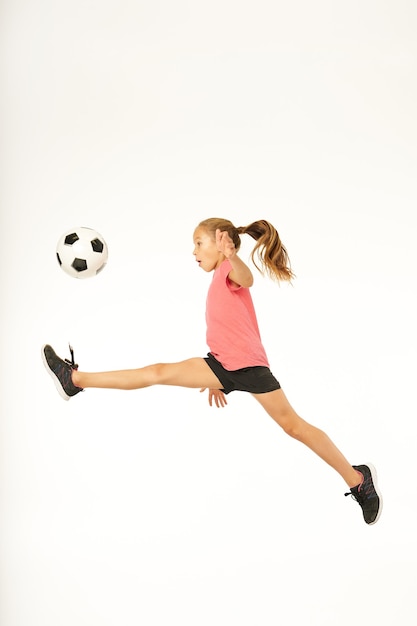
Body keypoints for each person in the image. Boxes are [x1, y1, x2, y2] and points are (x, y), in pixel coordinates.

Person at [42, 218, 382, 525]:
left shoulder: (228, 271)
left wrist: (232, 255)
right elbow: (227, 329)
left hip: (249, 368)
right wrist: (217, 379)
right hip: (220, 365)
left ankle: (357, 479)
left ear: (221, 246)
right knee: (157, 372)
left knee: (294, 427)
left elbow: (247, 277)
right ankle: (74, 379)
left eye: (199, 243)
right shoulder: (218, 278)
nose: (194, 251)